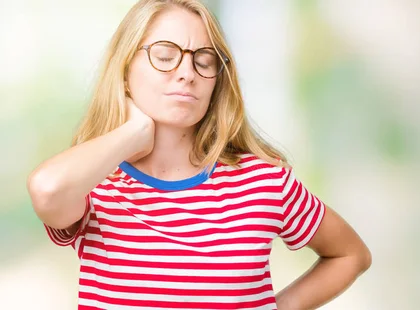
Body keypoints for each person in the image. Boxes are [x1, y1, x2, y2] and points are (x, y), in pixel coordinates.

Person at [26, 0, 371, 309]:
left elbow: (350, 254)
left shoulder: (265, 181)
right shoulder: (94, 182)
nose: (187, 73)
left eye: (204, 61)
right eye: (164, 56)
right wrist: (134, 132)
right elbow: (47, 190)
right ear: (126, 70)